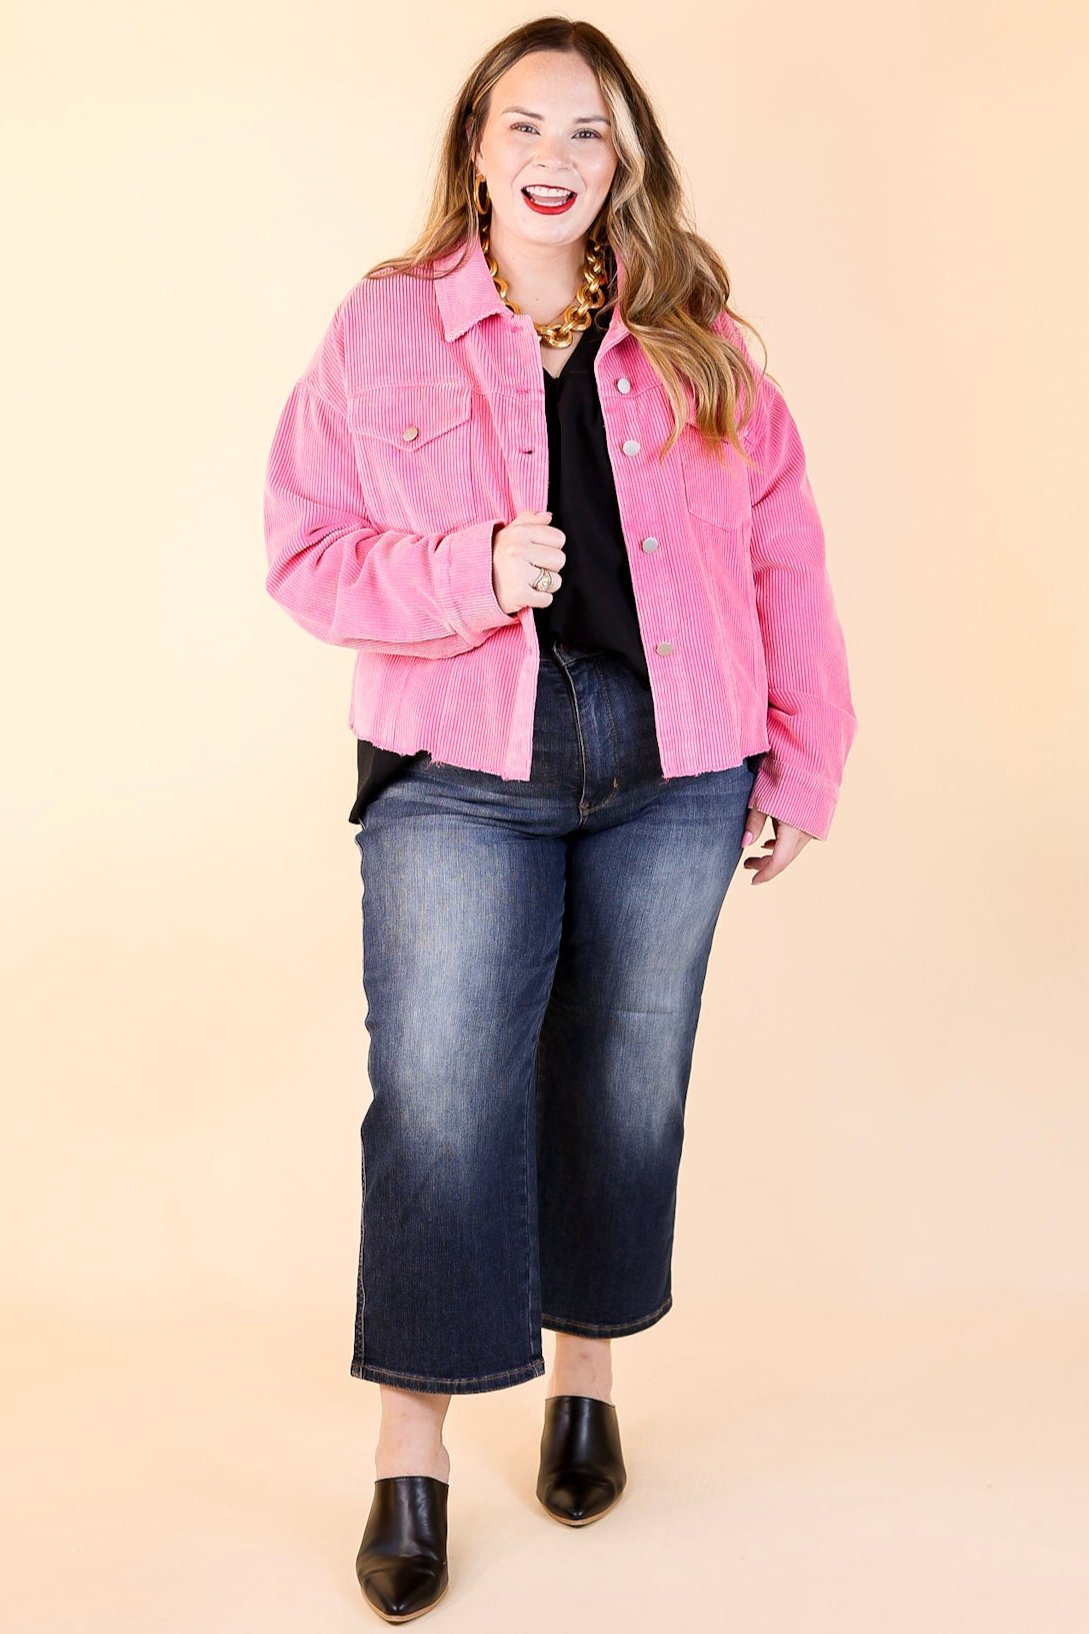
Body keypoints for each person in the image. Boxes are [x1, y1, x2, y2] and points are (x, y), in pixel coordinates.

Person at [263, 17, 857, 1623]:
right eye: (523, 125)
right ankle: (410, 1451)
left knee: (621, 1076)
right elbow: (302, 552)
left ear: (622, 162)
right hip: (459, 764)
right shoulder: (384, 325)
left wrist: (803, 759)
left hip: (677, 765)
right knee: (440, 1096)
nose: (552, 156)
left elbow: (783, 554)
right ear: (476, 145)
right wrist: (464, 571)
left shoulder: (695, 337)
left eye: (586, 131)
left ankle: (585, 1378)